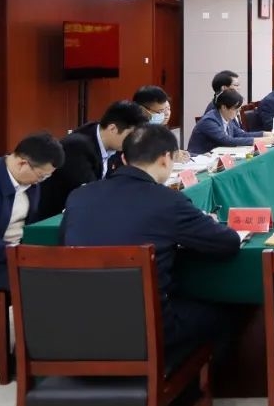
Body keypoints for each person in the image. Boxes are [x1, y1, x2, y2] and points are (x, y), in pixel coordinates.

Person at [61, 124, 242, 365]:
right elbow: (228, 242)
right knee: (227, 313)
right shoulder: (168, 201)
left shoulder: (79, 197)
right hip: (147, 328)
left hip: (78, 326)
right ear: (166, 158)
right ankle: (183, 382)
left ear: (123, 159)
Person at [0, 133, 64, 313]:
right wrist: (15, 251)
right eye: (41, 176)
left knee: (66, 271)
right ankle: (29, 332)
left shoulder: (30, 182)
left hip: (17, 254)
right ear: (22, 164)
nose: (40, 181)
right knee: (44, 282)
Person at [37, 100, 150, 219]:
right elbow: (90, 192)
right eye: (131, 136)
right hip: (55, 220)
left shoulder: (117, 147)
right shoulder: (76, 146)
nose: (133, 142)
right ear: (113, 129)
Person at [186, 90, 271, 155]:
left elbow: (240, 134)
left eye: (239, 109)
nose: (238, 113)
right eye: (236, 109)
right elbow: (227, 140)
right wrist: (258, 141)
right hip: (199, 159)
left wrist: (265, 134)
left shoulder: (226, 117)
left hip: (217, 157)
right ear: (224, 107)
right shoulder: (209, 120)